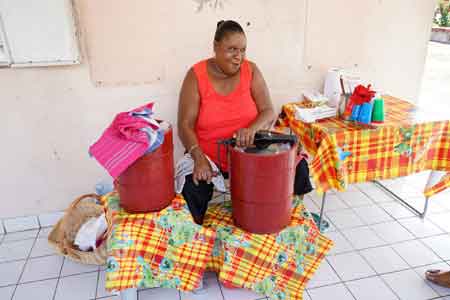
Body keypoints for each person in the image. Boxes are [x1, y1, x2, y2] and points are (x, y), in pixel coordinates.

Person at [177, 20, 313, 225]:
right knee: (193, 184)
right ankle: (195, 237)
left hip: (252, 155)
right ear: (215, 47)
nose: (238, 57)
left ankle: (287, 222)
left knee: (298, 168)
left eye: (242, 50)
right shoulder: (196, 75)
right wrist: (198, 157)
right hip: (211, 155)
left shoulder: (251, 71)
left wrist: (251, 129)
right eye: (231, 49)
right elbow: (185, 125)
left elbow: (268, 111)